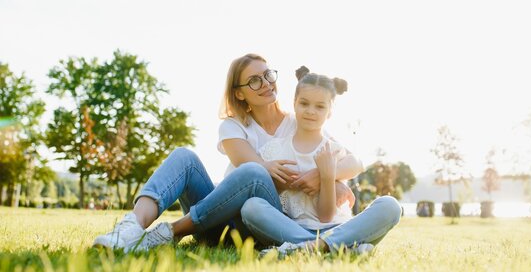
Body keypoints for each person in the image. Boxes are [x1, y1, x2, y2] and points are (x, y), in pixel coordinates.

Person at [92, 53, 358, 251]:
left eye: (267, 75)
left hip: (262, 221)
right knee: (185, 157)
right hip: (217, 220)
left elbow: (352, 160)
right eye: (253, 81)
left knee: (254, 173)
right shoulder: (233, 126)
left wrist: (324, 176)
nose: (265, 83)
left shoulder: (300, 121)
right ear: (239, 94)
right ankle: (129, 228)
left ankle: (169, 233)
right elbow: (251, 168)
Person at [241, 66, 402, 256]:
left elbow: (326, 217)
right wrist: (283, 184)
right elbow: (264, 195)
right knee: (251, 207)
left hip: (337, 228)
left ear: (330, 111)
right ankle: (342, 248)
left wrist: (327, 176)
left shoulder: (334, 152)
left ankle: (312, 248)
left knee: (390, 205)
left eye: (320, 106)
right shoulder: (273, 150)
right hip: (294, 229)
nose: (311, 111)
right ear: (294, 104)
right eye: (304, 103)